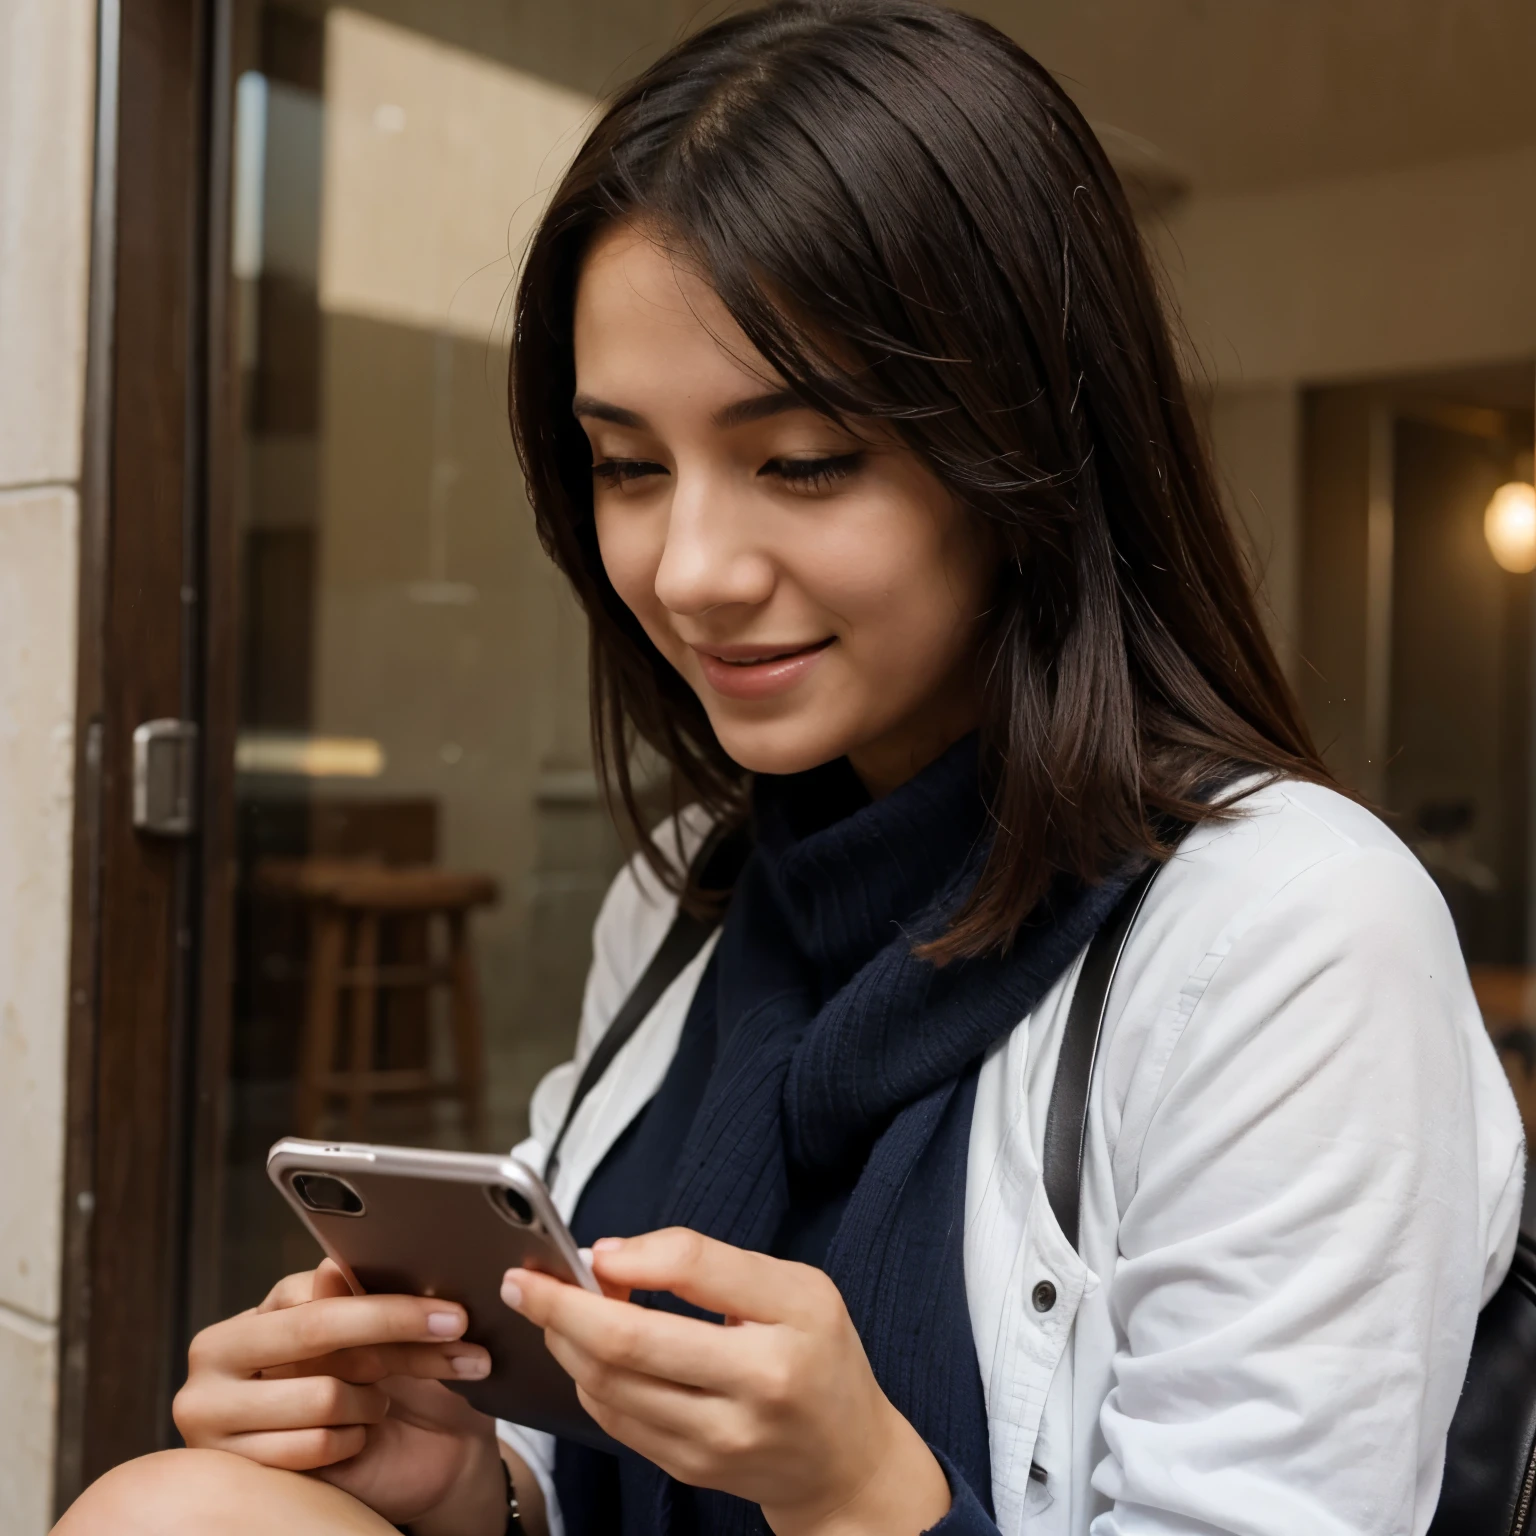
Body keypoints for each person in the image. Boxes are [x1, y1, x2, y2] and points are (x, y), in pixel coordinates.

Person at [57, 3, 1525, 1534]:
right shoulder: (684, 895)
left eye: (803, 460)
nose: (688, 569)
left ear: (1027, 453)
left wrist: (862, 1493)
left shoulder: (1290, 936)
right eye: (627, 466)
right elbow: (593, 1462)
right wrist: (470, 1481)